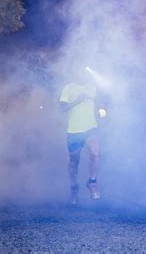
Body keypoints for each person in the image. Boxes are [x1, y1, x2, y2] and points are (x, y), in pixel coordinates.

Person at [59, 68, 100, 204]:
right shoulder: (69, 88)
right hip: (74, 130)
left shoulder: (93, 86)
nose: (83, 74)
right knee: (74, 162)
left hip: (91, 128)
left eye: (85, 72)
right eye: (80, 71)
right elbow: (62, 109)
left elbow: (103, 100)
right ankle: (74, 188)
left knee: (95, 153)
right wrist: (77, 100)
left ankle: (92, 183)